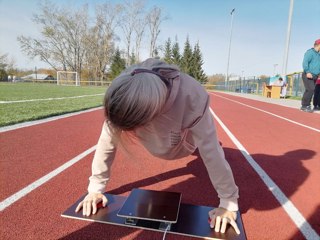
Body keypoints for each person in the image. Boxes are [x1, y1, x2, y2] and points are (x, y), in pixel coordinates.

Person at [75, 58, 240, 234]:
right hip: (157, 135)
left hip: (183, 144)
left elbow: (211, 150)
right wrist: (95, 188)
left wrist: (228, 202)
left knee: (204, 145)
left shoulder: (191, 96)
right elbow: (106, 142)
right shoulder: (123, 90)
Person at [301, 39, 320, 112]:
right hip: (308, 74)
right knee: (311, 89)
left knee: (308, 90)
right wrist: (308, 71)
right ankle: (306, 105)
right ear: (318, 45)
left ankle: (303, 105)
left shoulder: (319, 55)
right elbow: (305, 62)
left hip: (315, 76)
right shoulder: (310, 52)